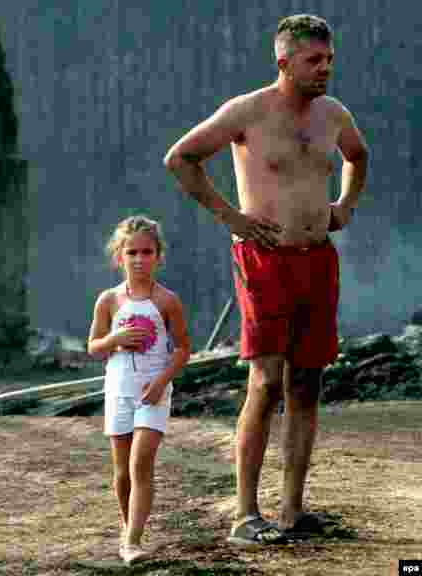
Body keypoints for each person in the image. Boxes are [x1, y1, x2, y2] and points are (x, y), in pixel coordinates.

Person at [163, 14, 368, 545]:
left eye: (329, 60)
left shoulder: (333, 113)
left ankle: (293, 511)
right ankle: (245, 516)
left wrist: (344, 204)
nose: (325, 69)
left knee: (308, 384)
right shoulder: (247, 111)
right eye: (313, 61)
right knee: (266, 381)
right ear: (284, 62)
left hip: (317, 257)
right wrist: (230, 217)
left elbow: (357, 156)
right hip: (264, 260)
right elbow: (181, 158)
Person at [88, 215, 191, 565]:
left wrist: (161, 381)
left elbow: (182, 349)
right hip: (118, 391)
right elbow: (93, 347)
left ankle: (132, 541)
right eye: (132, 252)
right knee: (121, 472)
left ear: (158, 256)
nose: (139, 259)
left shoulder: (168, 301)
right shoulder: (109, 301)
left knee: (141, 463)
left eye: (147, 252)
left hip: (154, 392)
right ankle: (127, 526)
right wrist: (114, 339)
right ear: (119, 256)